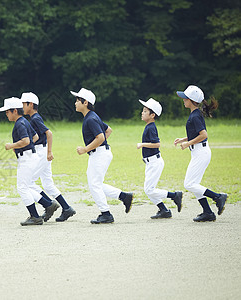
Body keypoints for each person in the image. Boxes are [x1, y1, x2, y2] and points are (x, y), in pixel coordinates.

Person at [72, 88, 133, 224]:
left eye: (77, 100)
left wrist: (85, 149)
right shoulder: (92, 116)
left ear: (85, 102)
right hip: (100, 153)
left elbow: (100, 136)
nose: (75, 103)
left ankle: (106, 214)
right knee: (96, 184)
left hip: (99, 154)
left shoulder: (90, 119)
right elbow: (108, 130)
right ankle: (124, 196)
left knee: (94, 185)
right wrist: (100, 145)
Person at [0, 97, 59, 226]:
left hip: (27, 158)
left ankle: (35, 217)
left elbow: (26, 140)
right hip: (30, 156)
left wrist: (12, 146)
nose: (6, 114)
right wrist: (24, 146)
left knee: (22, 188)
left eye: (7, 111)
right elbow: (34, 137)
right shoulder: (25, 121)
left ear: (14, 111)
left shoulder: (19, 123)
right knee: (26, 186)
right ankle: (48, 204)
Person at [175, 85, 228, 222]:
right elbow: (196, 134)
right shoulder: (195, 114)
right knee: (194, 184)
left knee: (189, 184)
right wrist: (184, 139)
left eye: (185, 97)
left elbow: (203, 135)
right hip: (199, 152)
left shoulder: (195, 116)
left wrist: (187, 144)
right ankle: (208, 212)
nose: (183, 99)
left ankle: (217, 197)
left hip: (201, 152)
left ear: (191, 100)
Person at [21, 92, 74, 222]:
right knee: (48, 184)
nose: (22, 106)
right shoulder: (34, 118)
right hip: (42, 152)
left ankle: (49, 205)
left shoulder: (35, 119)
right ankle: (67, 208)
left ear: (31, 104)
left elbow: (49, 133)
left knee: (29, 182)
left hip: (41, 153)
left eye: (24, 103)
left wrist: (49, 152)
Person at [137, 98, 183, 219]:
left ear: (152, 115)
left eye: (145, 111)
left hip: (154, 162)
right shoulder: (149, 126)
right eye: (143, 110)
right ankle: (164, 210)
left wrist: (142, 144)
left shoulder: (151, 127)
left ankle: (174, 195)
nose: (142, 113)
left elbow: (157, 144)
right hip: (150, 162)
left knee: (149, 190)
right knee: (148, 189)